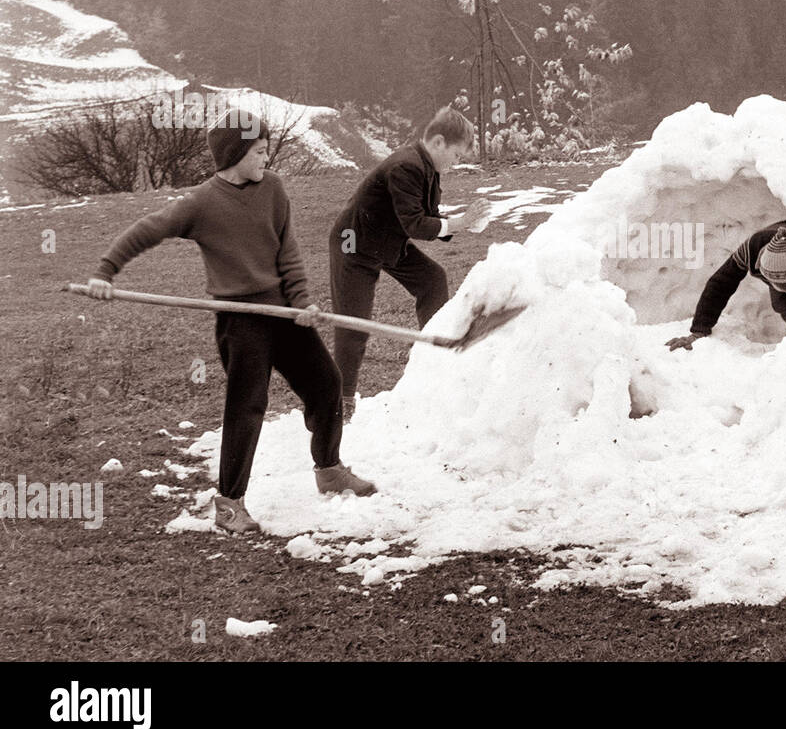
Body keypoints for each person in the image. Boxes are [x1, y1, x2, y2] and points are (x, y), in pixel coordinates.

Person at [86, 112, 374, 535]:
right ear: (236, 153)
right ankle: (229, 502)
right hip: (241, 322)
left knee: (326, 384)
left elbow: (287, 251)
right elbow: (149, 229)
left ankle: (328, 469)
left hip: (283, 313)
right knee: (248, 406)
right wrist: (105, 271)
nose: (266, 157)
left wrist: (301, 302)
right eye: (258, 150)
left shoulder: (273, 188)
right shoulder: (201, 203)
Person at [330, 106, 490, 416]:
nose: (456, 164)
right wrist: (458, 223)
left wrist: (463, 223)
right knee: (354, 326)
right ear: (439, 142)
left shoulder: (427, 167)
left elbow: (425, 216)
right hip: (355, 244)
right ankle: (341, 402)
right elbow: (415, 224)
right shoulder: (407, 166)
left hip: (388, 241)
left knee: (432, 280)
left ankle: (433, 363)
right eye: (456, 155)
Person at [666, 218, 786, 350]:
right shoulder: (750, 251)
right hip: (781, 255)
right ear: (766, 274)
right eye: (785, 286)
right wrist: (699, 330)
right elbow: (720, 285)